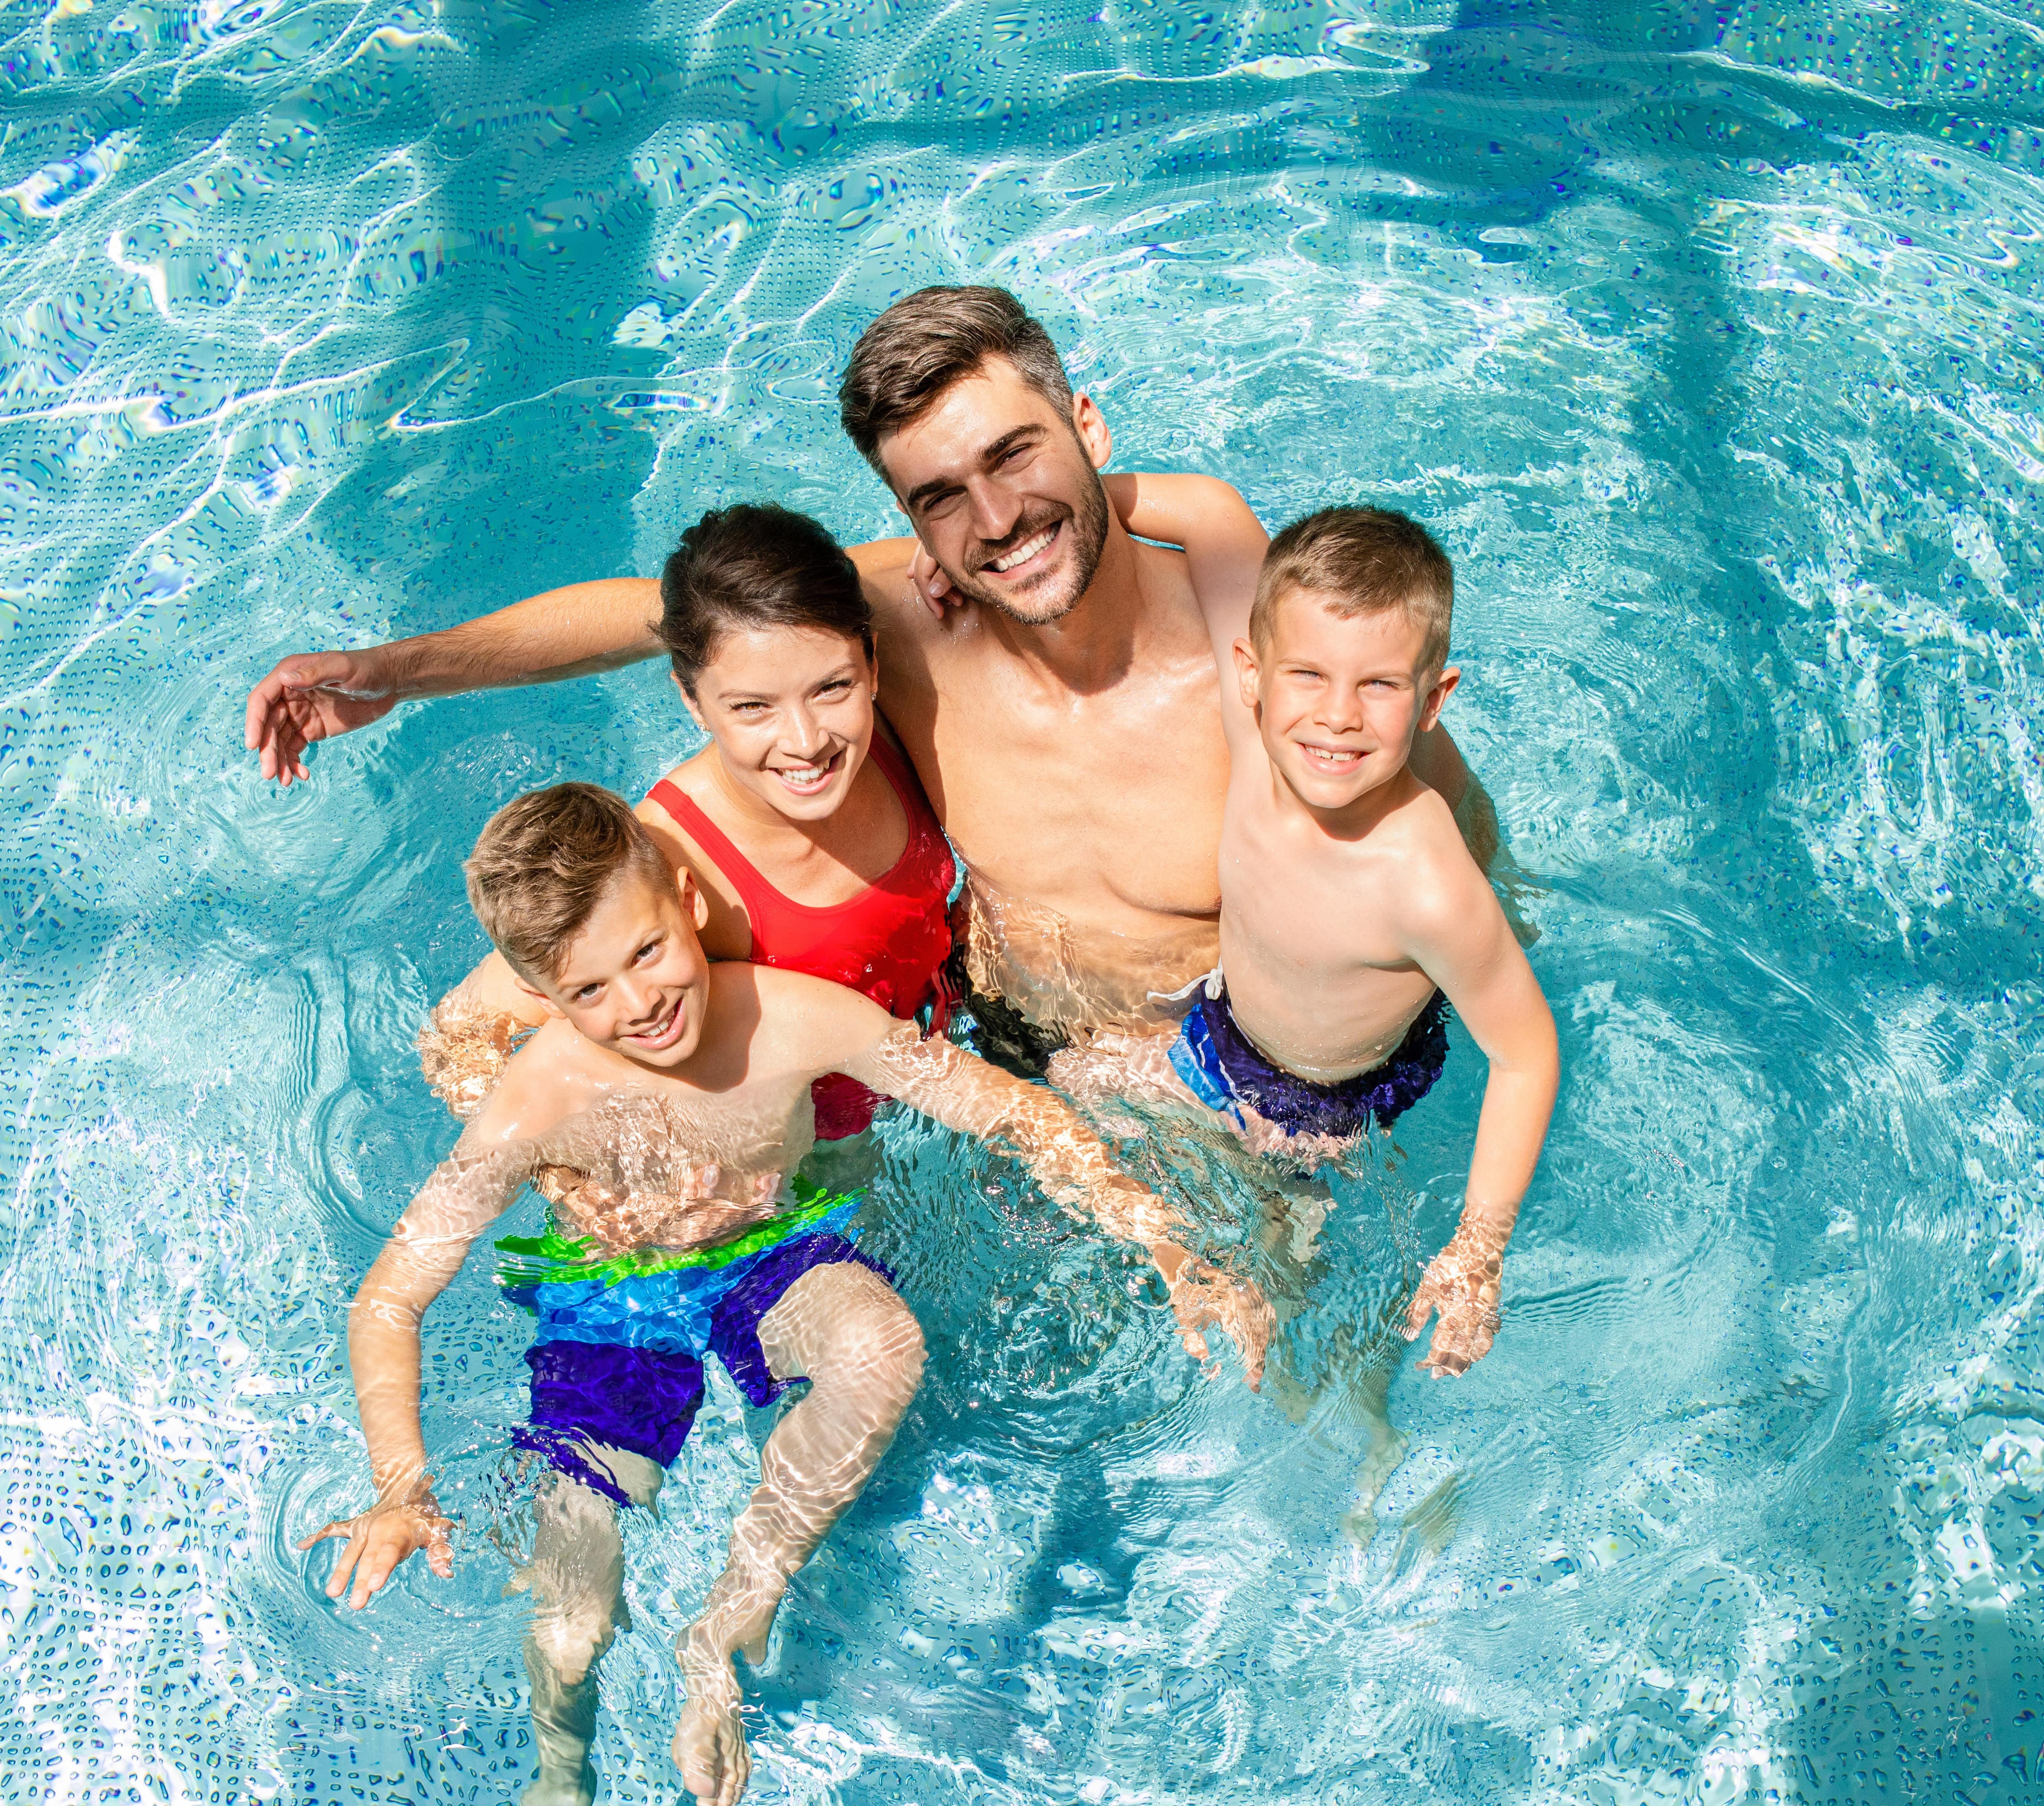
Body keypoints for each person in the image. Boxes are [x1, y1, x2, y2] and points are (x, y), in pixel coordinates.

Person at [301, 783, 1268, 1806]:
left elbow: (1014, 1115)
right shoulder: (538, 1097)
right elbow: (391, 1296)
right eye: (586, 992)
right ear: (542, 1001)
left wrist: (1165, 1239)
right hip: (617, 1304)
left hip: (767, 1253)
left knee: (883, 1345)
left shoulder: (792, 1021)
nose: (639, 1003)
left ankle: (728, 1624)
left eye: (649, 954)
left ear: (689, 901)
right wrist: (401, 1481)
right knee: (570, 1619)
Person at [242, 286, 1489, 1056]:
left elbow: (1430, 816)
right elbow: (660, 612)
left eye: (1016, 456)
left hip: (1236, 1068)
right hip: (998, 1053)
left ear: (1091, 431)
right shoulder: (899, 620)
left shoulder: (1249, 641)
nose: (995, 520)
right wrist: (397, 671)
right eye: (941, 496)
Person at [1037, 484, 1557, 1378]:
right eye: (1307, 675)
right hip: (1215, 1033)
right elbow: (1204, 515)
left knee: (1272, 1309)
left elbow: (1524, 1053)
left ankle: (1355, 1432)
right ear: (1250, 674)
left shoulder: (1421, 880)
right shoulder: (1252, 741)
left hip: (1319, 1109)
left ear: (1434, 698)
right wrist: (1010, 528)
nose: (1336, 715)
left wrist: (1478, 1248)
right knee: (1053, 1093)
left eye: (1379, 685)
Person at [422, 502, 958, 1141]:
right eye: (753, 707)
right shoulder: (668, 862)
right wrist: (572, 1170)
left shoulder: (895, 728)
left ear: (871, 662)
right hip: (806, 1161)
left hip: (939, 1059)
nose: (806, 741)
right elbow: (458, 1037)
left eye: (831, 688)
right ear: (692, 700)